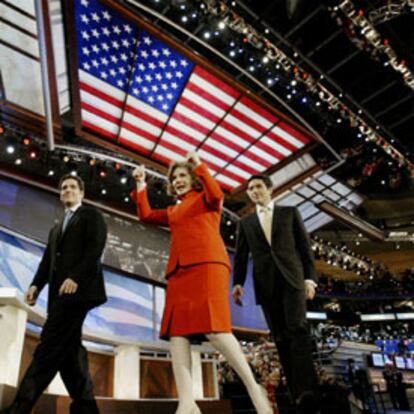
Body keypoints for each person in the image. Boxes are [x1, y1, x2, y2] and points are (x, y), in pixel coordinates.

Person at [131, 152, 273, 414]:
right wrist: (140, 183)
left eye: (183, 176)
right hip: (179, 273)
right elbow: (147, 215)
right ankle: (187, 402)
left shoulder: (208, 199)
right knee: (177, 334)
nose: (178, 181)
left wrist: (199, 165)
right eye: (174, 178)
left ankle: (253, 386)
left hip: (207, 266)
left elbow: (218, 194)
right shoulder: (174, 210)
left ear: (194, 179)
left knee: (216, 329)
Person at [1, 174, 107, 414]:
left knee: (47, 348)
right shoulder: (56, 229)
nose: (67, 190)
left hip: (78, 295)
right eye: (63, 188)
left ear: (81, 193)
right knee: (70, 353)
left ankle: (20, 407)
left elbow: (94, 249)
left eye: (72, 187)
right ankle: (86, 407)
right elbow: (48, 261)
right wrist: (35, 285)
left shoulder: (91, 216)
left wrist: (75, 278)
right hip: (57, 299)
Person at [232, 174, 319, 414]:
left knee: (297, 328)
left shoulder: (290, 213)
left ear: (270, 188)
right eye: (250, 188)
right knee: (280, 337)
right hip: (266, 285)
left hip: (293, 282)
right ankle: (296, 393)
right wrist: (237, 283)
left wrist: (309, 280)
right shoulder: (246, 223)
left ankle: (307, 390)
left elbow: (304, 248)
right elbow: (240, 256)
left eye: (258, 186)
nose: (254, 191)